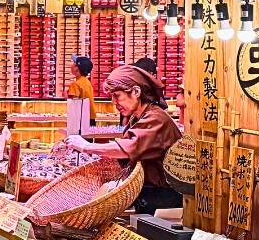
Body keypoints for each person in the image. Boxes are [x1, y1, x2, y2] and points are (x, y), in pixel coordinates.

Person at [65, 65, 182, 214]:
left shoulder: (157, 118)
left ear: (136, 91)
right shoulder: (138, 117)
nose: (114, 102)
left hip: (163, 198)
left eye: (117, 95)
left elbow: (126, 148)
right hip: (147, 193)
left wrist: (85, 146)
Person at [65, 55, 98, 124]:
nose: (72, 65)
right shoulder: (87, 82)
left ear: (76, 68)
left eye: (74, 63)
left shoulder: (75, 84)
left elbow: (75, 104)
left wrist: (66, 96)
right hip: (90, 117)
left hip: (81, 119)